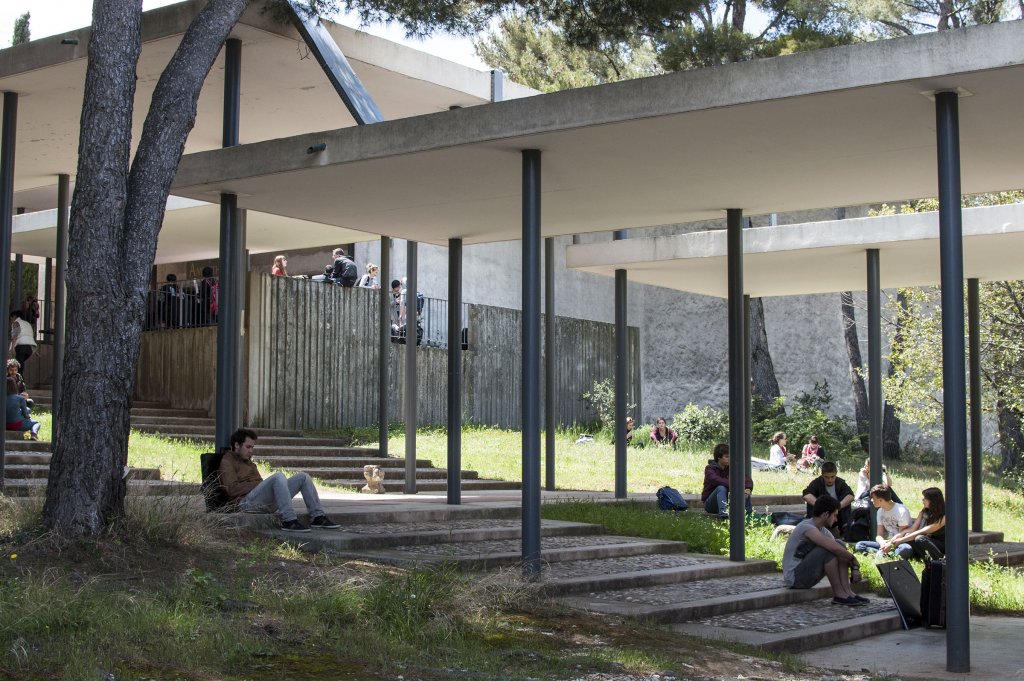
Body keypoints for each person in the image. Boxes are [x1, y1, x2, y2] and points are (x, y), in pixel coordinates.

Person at [218, 428, 341, 532]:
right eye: (248, 447)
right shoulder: (227, 461)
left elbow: (260, 486)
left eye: (252, 447)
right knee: (278, 476)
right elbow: (231, 490)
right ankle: (289, 520)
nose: (251, 451)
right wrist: (257, 485)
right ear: (236, 445)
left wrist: (259, 485)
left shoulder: (249, 463)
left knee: (303, 477)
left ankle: (318, 517)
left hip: (261, 502)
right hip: (245, 504)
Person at [783, 495, 866, 606]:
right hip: (794, 578)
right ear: (826, 514)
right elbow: (833, 549)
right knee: (827, 550)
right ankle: (838, 594)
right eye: (835, 515)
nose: (836, 519)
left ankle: (848, 592)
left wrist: (854, 568)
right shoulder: (806, 527)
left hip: (807, 574)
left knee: (839, 544)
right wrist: (854, 560)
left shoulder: (823, 531)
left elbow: (839, 549)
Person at [882, 487, 946, 560]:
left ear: (933, 500)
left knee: (919, 538)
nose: (922, 500)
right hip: (926, 540)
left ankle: (940, 559)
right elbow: (912, 529)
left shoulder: (944, 516)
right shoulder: (924, 512)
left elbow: (924, 531)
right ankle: (891, 554)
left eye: (925, 498)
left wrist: (900, 540)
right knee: (909, 536)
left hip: (939, 544)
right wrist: (893, 540)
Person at [854, 484, 912, 556]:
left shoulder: (901, 511)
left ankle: (883, 554)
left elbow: (901, 535)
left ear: (881, 500)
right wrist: (882, 543)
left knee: (906, 549)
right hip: (885, 542)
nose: (871, 500)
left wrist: (890, 544)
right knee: (859, 545)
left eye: (873, 498)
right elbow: (879, 535)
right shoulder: (880, 511)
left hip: (899, 543)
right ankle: (886, 553)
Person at [701, 443, 753, 518]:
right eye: (726, 457)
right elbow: (717, 480)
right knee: (721, 488)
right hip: (710, 504)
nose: (729, 459)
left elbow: (746, 478)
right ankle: (724, 515)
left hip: (727, 502)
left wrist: (748, 488)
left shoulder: (731, 468)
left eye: (730, 456)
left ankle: (749, 514)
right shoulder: (710, 469)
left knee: (745, 491)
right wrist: (737, 486)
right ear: (719, 457)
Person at [802, 461, 855, 534]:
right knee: (811, 505)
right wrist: (820, 505)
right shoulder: (817, 482)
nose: (830, 480)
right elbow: (806, 495)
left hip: (837, 513)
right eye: (827, 477)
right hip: (821, 513)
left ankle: (845, 531)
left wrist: (838, 506)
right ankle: (813, 529)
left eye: (832, 477)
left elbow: (850, 496)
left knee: (846, 505)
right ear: (822, 475)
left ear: (835, 474)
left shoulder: (840, 483)